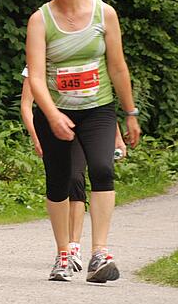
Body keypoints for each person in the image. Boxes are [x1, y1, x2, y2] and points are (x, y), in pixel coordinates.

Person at [26, 0, 140, 282]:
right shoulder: (40, 20)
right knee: (61, 181)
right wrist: (52, 115)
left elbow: (117, 66)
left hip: (99, 108)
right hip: (56, 110)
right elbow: (35, 76)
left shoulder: (105, 14)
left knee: (103, 169)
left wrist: (130, 112)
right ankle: (64, 254)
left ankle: (99, 253)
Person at [20, 65, 127, 271]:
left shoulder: (88, 55)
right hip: (57, 123)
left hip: (88, 124)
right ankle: (66, 250)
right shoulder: (41, 56)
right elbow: (26, 106)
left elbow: (97, 100)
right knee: (68, 179)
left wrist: (117, 137)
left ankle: (76, 246)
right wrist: (36, 137)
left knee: (88, 174)